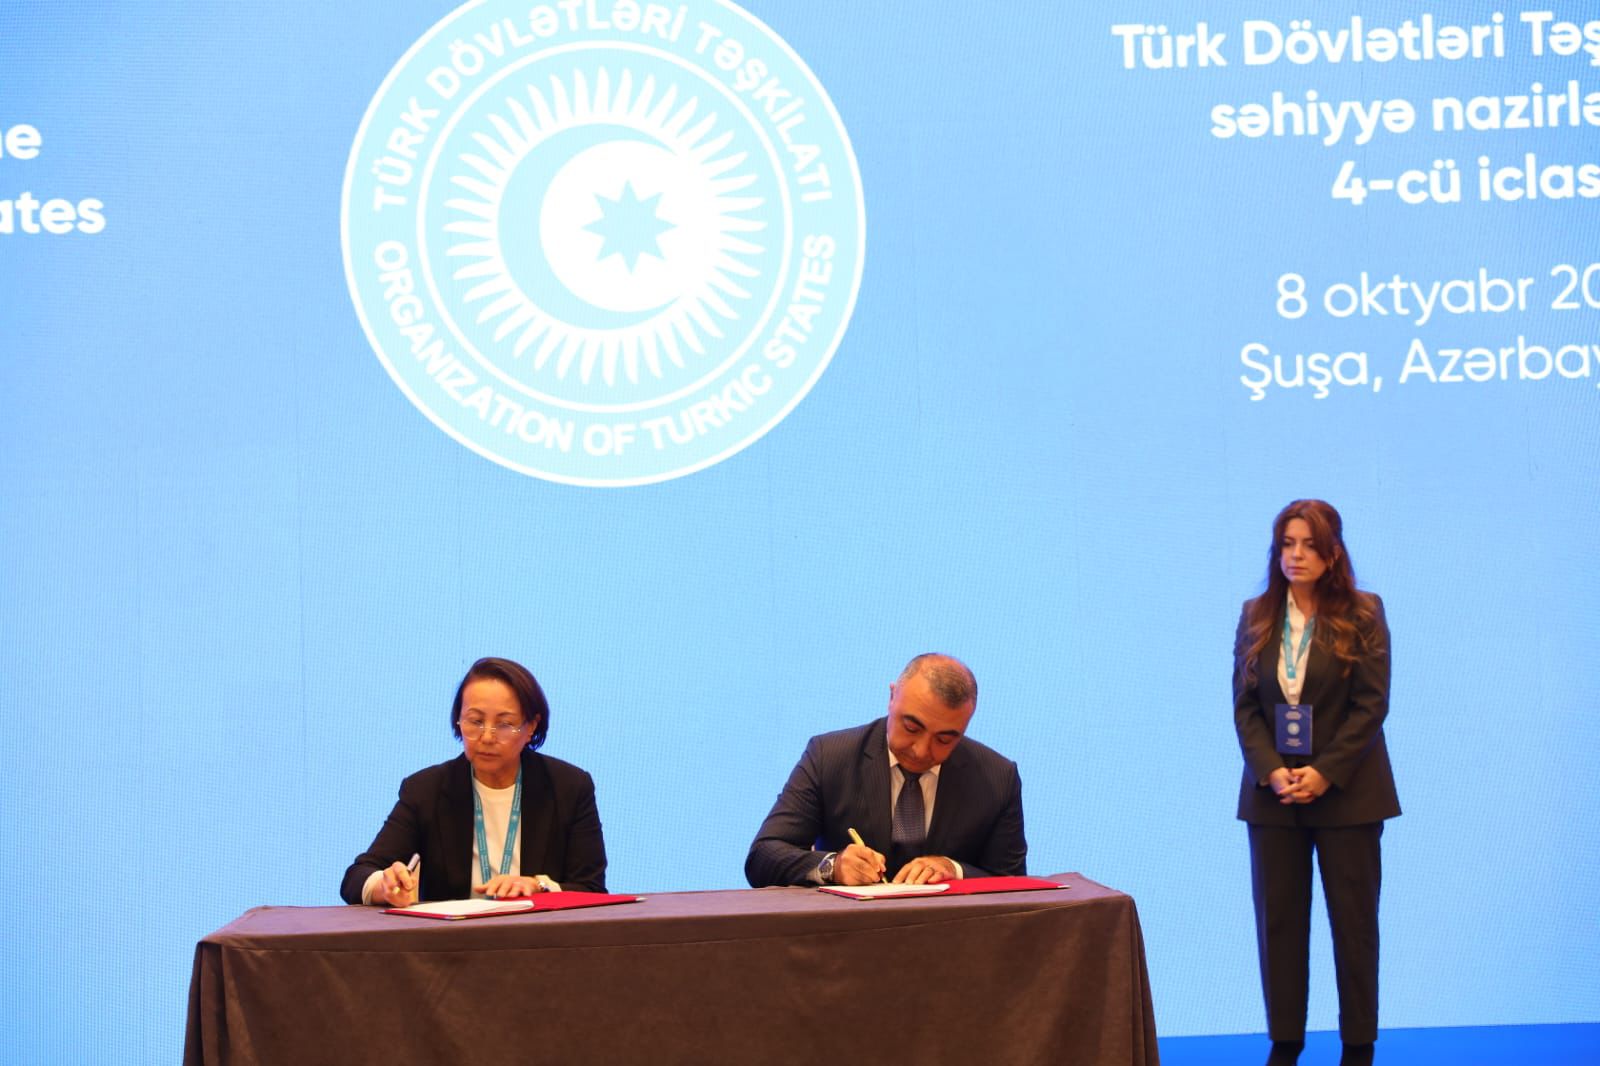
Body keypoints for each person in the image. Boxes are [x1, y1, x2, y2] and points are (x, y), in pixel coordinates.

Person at [1233, 501, 1400, 1066]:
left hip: (1349, 794)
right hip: (1273, 794)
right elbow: (1245, 709)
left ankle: (1358, 1045)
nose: (1294, 556)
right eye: (1286, 544)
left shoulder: (1364, 612)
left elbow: (1371, 704)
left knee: (1354, 924)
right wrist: (1271, 770)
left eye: (1306, 545)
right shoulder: (1256, 613)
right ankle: (1285, 1043)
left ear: (1332, 553)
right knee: (1278, 924)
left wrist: (1325, 771)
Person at [341, 656, 607, 905]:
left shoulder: (569, 787)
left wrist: (539, 886)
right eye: (475, 721)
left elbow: (591, 889)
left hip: (539, 945)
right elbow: (357, 876)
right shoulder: (427, 790)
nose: (487, 737)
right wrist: (384, 886)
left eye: (504, 724)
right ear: (458, 721)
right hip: (454, 947)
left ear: (531, 727)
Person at [745, 653, 1026, 888]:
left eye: (944, 739)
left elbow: (1017, 887)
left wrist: (955, 871)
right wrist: (834, 866)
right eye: (911, 727)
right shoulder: (830, 757)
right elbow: (763, 857)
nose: (921, 750)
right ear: (893, 697)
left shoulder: (997, 777)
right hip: (846, 940)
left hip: (952, 944)